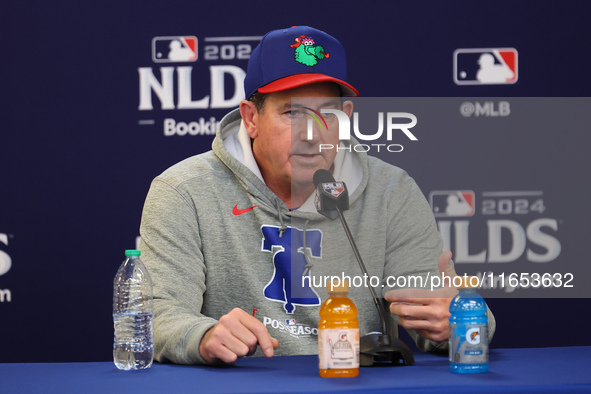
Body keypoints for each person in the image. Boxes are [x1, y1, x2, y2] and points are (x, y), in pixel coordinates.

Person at [139, 26, 495, 365]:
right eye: (293, 113)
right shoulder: (184, 191)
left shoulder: (391, 191)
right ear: (251, 118)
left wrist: (458, 318)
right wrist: (202, 335)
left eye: (328, 114)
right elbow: (154, 314)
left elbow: (461, 320)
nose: (312, 134)